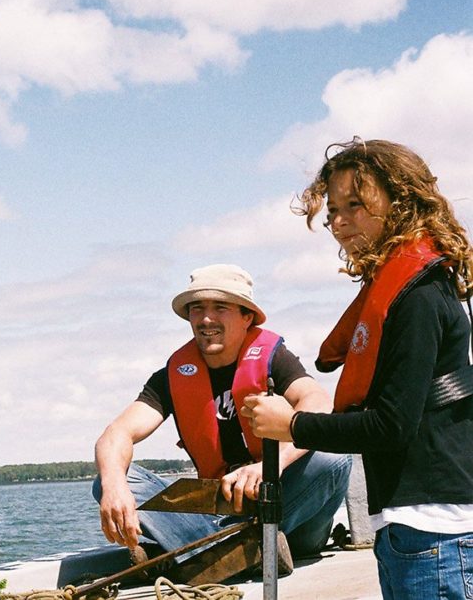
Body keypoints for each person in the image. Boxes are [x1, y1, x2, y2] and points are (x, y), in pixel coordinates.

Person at [244, 138, 473, 599]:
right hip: (412, 532)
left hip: (436, 535)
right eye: (333, 210)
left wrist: (292, 426)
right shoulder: (403, 289)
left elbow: (391, 426)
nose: (340, 222)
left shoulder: (420, 296)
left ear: (401, 202)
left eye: (355, 205)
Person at [93, 264, 351, 572]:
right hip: (218, 509)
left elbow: (318, 403)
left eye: (220, 307)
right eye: (197, 308)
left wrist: (271, 466)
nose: (206, 319)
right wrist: (114, 485)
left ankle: (193, 554)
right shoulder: (171, 376)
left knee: (333, 457)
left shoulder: (274, 359)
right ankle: (233, 553)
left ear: (247, 317)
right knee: (112, 478)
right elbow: (115, 433)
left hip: (283, 509)